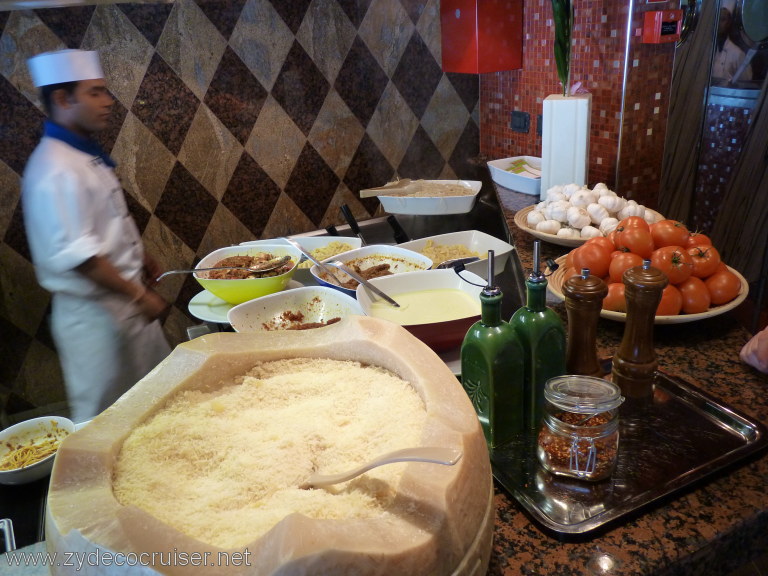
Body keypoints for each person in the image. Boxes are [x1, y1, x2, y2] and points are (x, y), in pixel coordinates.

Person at [23, 50, 171, 423]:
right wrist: (140, 295)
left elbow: (103, 224)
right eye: (95, 93)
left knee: (158, 408)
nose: (107, 102)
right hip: (97, 320)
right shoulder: (54, 168)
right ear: (62, 99)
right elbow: (82, 257)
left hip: (126, 306)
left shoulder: (82, 155)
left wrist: (141, 257)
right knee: (106, 423)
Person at [712, 5, 752, 83]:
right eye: (717, 18)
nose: (719, 23)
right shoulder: (708, 50)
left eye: (723, 19)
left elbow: (746, 82)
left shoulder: (737, 54)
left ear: (729, 22)